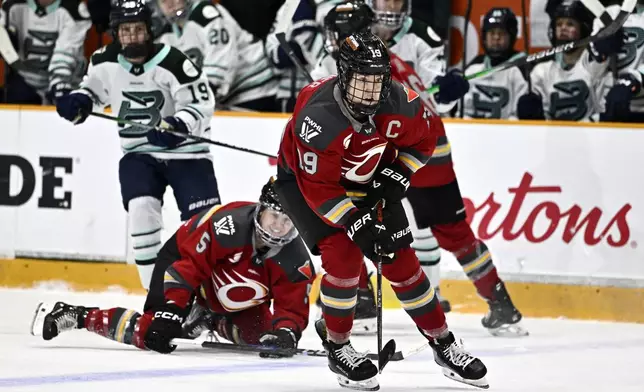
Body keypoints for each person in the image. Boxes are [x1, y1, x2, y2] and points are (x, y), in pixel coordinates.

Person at [274, 31, 488, 391]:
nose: (370, 92)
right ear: (343, 75)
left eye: (377, 81)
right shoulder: (317, 116)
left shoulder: (401, 101)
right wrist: (356, 221)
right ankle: (338, 347)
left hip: (369, 181)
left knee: (403, 262)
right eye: (361, 81)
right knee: (344, 258)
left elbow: (426, 140)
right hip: (305, 185)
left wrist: (399, 173)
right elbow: (321, 189)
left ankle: (444, 343)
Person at [311, 2, 528, 339]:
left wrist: (449, 87)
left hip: (417, 146)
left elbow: (437, 99)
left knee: (448, 230)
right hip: (374, 152)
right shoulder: (346, 48)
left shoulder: (419, 38)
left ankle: (500, 302)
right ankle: (364, 300)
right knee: (355, 224)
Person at [31, 180, 314, 357]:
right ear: (260, 210)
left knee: (262, 336)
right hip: (180, 263)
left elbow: (291, 308)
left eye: (287, 221)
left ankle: (211, 320)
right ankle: (77, 315)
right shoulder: (227, 226)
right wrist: (171, 310)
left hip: (227, 294)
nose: (279, 226)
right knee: (154, 331)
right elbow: (188, 267)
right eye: (274, 216)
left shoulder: (296, 259)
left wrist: (286, 332)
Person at [54, 0, 221, 290]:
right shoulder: (103, 61)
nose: (133, 36)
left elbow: (200, 103)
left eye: (138, 29)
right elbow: (94, 91)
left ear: (149, 30)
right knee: (141, 212)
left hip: (188, 154)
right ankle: (155, 294)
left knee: (204, 225)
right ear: (115, 34)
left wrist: (178, 125)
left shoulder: (175, 62)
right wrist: (81, 101)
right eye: (126, 30)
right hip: (139, 154)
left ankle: (212, 293)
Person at [517, 0, 621, 121]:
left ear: (584, 28)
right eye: (559, 24)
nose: (563, 28)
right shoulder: (542, 72)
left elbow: (605, 111)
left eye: (570, 24)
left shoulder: (596, 65)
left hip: (592, 136)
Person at [152, 0, 252, 101]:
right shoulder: (167, 35)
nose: (170, 4)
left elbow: (220, 63)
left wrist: (195, 97)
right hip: (228, 99)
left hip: (254, 88)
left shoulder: (204, 12)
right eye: (163, 1)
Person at [0, 0, 91, 104]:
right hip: (25, 83)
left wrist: (59, 86)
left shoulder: (75, 10)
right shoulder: (12, 5)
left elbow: (65, 56)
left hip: (68, 81)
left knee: (68, 101)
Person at [461, 7, 528, 119]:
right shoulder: (472, 68)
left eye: (501, 33)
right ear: (484, 37)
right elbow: (463, 113)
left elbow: (518, 117)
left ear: (511, 37)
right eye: (492, 33)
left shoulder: (521, 69)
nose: (496, 38)